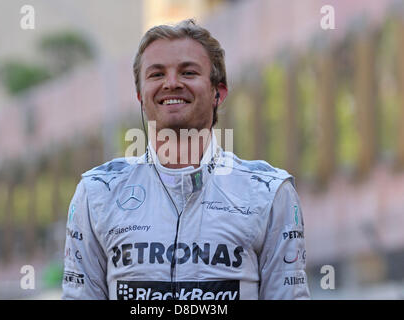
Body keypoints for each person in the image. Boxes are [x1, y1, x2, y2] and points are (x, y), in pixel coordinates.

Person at [62, 19, 310, 300]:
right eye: (156, 74)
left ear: (219, 91)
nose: (171, 83)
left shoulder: (269, 193)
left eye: (188, 72)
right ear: (140, 95)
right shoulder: (97, 193)